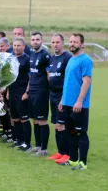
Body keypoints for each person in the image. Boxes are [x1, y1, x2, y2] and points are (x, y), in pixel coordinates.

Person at [58, 33, 93, 170]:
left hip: (78, 105)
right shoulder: (71, 59)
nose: (72, 44)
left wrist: (79, 101)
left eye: (75, 42)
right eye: (71, 41)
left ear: (82, 44)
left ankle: (82, 162)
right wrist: (62, 100)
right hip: (67, 103)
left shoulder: (85, 60)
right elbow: (68, 82)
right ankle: (72, 160)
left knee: (80, 133)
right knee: (70, 132)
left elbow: (86, 82)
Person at [24, 32, 51, 156]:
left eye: (37, 39)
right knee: (34, 120)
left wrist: (49, 89)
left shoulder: (45, 55)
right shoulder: (31, 55)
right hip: (33, 90)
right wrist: (27, 91)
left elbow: (48, 75)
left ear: (42, 40)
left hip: (41, 91)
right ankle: (38, 146)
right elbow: (31, 75)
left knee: (42, 120)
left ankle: (44, 149)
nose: (35, 41)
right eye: (33, 39)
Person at [47, 34, 72, 163]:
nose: (55, 44)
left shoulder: (67, 58)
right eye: (53, 42)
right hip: (52, 95)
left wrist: (64, 97)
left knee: (63, 125)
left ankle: (67, 154)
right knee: (56, 125)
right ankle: (60, 152)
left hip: (63, 96)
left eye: (57, 42)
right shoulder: (52, 59)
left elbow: (69, 79)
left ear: (63, 43)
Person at [7, 38, 31, 151]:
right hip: (12, 91)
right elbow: (9, 77)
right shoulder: (11, 58)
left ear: (24, 46)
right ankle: (19, 141)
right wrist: (7, 91)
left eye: (19, 46)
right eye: (15, 45)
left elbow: (31, 77)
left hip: (22, 92)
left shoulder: (27, 59)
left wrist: (27, 92)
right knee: (15, 118)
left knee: (24, 118)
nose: (16, 48)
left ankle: (27, 143)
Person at [0, 38, 13, 143]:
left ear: (7, 46)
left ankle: (11, 133)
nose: (1, 48)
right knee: (2, 110)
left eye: (2, 46)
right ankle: (6, 131)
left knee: (9, 112)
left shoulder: (11, 58)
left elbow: (11, 76)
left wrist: (6, 90)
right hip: (0, 88)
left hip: (8, 90)